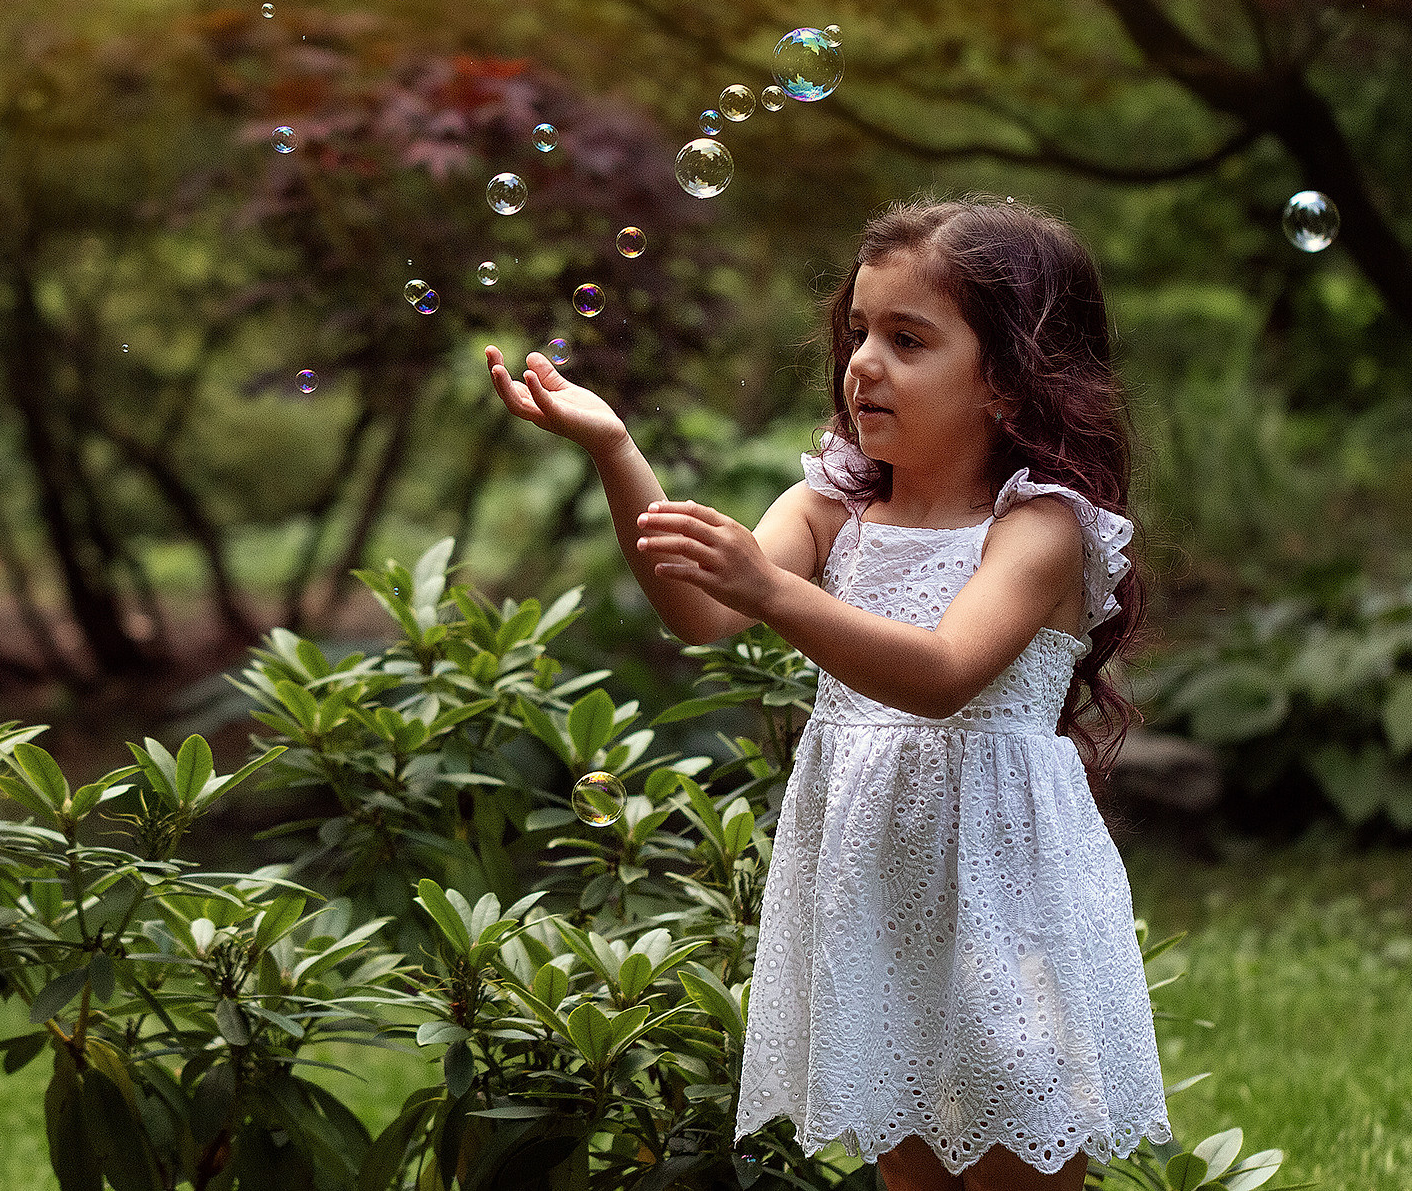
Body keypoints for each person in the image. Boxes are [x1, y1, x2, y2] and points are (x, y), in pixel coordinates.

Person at [483, 195, 1173, 1190]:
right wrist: (614, 450)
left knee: (1016, 1142)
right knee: (906, 1161)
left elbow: (941, 674)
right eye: (857, 331)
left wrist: (770, 589)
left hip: (1003, 884)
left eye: (906, 337)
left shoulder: (1039, 528)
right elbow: (698, 612)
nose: (862, 362)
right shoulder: (833, 500)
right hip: (876, 882)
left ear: (1008, 383)